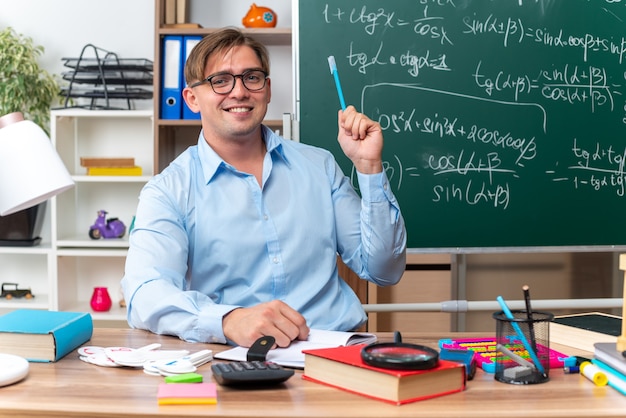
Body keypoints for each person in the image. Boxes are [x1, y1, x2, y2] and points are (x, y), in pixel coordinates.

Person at [121, 28, 407, 348]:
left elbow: (384, 270)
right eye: (220, 80)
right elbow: (144, 293)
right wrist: (228, 320)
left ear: (267, 90)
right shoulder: (167, 190)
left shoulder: (320, 166)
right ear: (192, 99)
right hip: (237, 359)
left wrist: (369, 168)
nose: (239, 92)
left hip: (335, 352)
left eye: (252, 78)